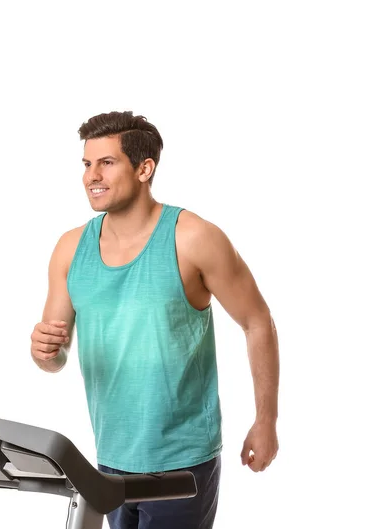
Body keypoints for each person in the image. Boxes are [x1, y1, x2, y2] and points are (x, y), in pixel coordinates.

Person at [30, 111, 279, 529]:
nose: (93, 175)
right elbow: (55, 356)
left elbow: (258, 322)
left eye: (107, 163)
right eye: (87, 164)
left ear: (145, 168)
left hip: (182, 461)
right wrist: (45, 352)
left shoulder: (193, 238)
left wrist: (266, 420)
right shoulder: (71, 248)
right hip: (109, 457)